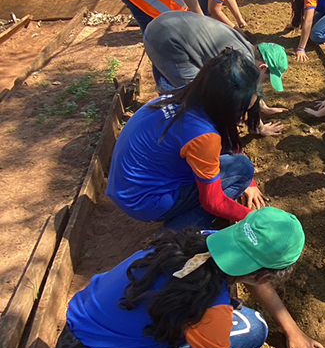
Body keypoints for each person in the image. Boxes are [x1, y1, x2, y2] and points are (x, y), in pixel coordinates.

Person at [48, 209, 325, 348]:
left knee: (254, 328)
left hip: (106, 327)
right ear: (263, 275)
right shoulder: (211, 311)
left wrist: (292, 329)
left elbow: (249, 273)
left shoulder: (205, 240)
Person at [107, 49, 265, 230]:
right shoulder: (203, 135)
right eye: (241, 110)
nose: (243, 118)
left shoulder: (191, 94)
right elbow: (212, 201)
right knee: (242, 168)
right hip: (144, 201)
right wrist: (252, 217)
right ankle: (176, 232)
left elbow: (226, 141)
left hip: (128, 186)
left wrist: (250, 183)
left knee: (239, 167)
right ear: (225, 105)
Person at [143, 11, 288, 135]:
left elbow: (252, 89)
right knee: (197, 93)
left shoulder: (246, 48)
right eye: (267, 79)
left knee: (184, 87)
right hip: (166, 40)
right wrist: (257, 127)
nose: (263, 83)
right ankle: (180, 130)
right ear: (263, 66)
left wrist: (263, 107)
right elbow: (235, 94)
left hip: (165, 24)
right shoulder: (240, 61)